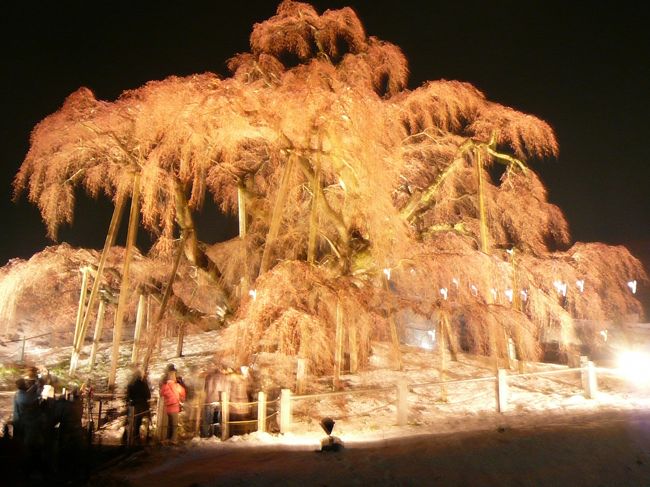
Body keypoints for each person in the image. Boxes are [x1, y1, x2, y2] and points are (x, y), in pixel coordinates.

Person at [201, 365, 229, 437]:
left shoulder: (209, 377)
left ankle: (206, 434)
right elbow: (226, 389)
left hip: (209, 400)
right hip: (219, 400)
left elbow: (206, 389)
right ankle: (216, 434)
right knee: (217, 419)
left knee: (207, 419)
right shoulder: (224, 378)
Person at [125, 368, 151, 444]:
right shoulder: (143, 384)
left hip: (134, 406)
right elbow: (148, 395)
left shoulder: (130, 384)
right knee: (142, 422)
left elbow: (128, 396)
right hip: (143, 406)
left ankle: (132, 438)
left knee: (134, 422)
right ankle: (143, 438)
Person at [160, 369, 186, 445]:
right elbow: (183, 393)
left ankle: (167, 438)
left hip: (167, 408)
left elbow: (161, 394)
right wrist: (181, 398)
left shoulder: (164, 386)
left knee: (168, 424)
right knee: (174, 425)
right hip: (175, 407)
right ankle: (174, 439)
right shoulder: (177, 386)